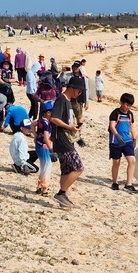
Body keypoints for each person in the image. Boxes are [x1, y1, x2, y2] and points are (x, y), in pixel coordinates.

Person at [49, 76, 86, 208]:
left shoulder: (69, 101)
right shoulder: (61, 99)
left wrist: (74, 127)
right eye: (79, 91)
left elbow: (66, 120)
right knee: (78, 168)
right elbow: (53, 118)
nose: (79, 93)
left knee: (66, 170)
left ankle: (63, 198)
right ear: (72, 88)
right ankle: (61, 193)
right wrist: (69, 127)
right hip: (61, 138)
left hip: (66, 138)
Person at [109, 93, 138, 194]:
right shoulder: (115, 113)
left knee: (132, 160)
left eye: (130, 105)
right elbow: (112, 126)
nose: (128, 107)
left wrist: (134, 139)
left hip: (127, 141)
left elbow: (132, 126)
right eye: (126, 105)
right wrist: (117, 135)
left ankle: (129, 184)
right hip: (115, 141)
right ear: (121, 103)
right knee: (116, 162)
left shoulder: (130, 114)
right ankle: (114, 182)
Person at [35, 100, 54, 196]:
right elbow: (46, 138)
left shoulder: (41, 120)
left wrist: (35, 135)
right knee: (47, 167)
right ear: (48, 113)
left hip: (38, 145)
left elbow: (32, 124)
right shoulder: (46, 124)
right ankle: (44, 188)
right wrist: (51, 150)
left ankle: (39, 185)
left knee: (43, 167)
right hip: (45, 147)